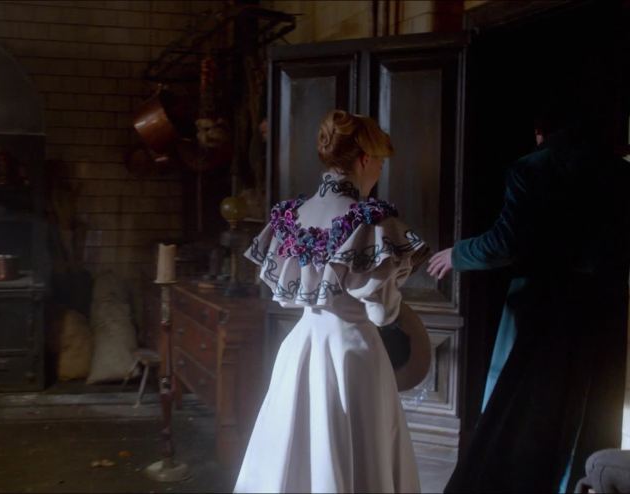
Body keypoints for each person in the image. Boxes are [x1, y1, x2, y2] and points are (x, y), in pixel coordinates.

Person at [428, 110, 630, 492]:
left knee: (523, 406)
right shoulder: (621, 172)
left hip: (544, 305)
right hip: (605, 307)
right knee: (593, 403)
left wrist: (457, 254)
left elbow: (505, 242)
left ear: (541, 131)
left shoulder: (533, 168)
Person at [235, 110, 430, 493]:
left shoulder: (291, 215)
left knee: (299, 454)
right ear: (364, 160)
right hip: (352, 355)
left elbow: (289, 296)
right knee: (359, 452)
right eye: (380, 161)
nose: (380, 170)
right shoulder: (371, 222)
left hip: (302, 348)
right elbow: (381, 312)